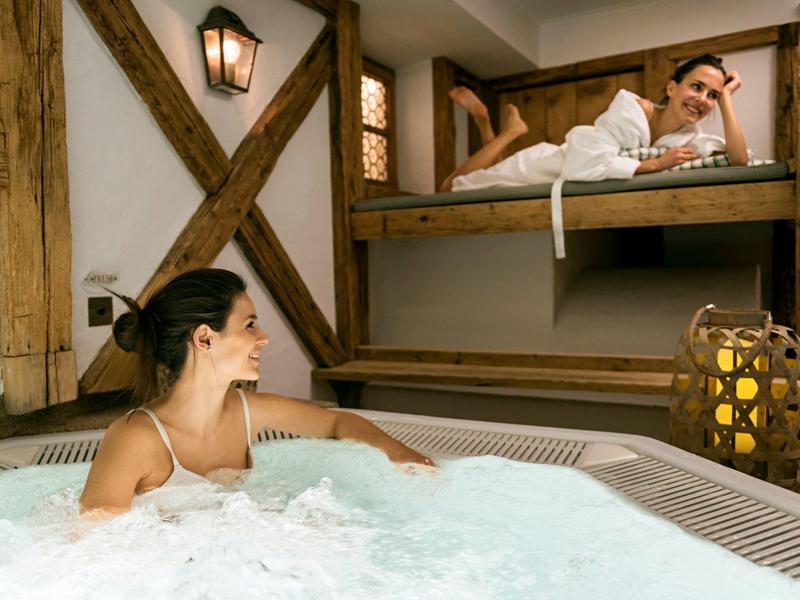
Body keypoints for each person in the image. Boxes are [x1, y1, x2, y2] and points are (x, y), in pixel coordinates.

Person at [79, 268, 433, 518]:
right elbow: (91, 547)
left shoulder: (249, 411)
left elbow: (337, 422)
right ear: (204, 338)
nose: (263, 337)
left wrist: (401, 456)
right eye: (249, 325)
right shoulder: (136, 438)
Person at [440, 54, 746, 193]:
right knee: (450, 189)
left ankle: (496, 129)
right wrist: (656, 165)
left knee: (486, 179)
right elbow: (584, 164)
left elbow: (739, 160)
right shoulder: (633, 108)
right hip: (548, 164)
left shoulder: (688, 139)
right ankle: (507, 131)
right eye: (696, 87)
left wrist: (728, 99)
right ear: (671, 88)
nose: (703, 99)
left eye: (712, 95)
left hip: (553, 181)